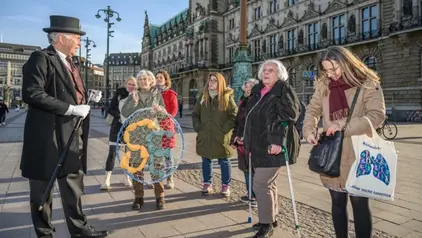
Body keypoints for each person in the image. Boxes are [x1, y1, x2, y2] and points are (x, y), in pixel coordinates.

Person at [20, 15, 107, 238]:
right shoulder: (40, 58)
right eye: (77, 38)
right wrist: (71, 108)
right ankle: (44, 233)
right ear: (61, 38)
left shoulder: (71, 63)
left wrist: (87, 100)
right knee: (42, 192)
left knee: (73, 188)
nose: (79, 42)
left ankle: (80, 230)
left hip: (71, 135)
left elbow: (71, 93)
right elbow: (32, 93)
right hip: (46, 138)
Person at [303, 46, 386, 238]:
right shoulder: (324, 84)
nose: (330, 74)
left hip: (358, 152)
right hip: (332, 153)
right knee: (337, 202)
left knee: (359, 205)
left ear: (347, 63)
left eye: (334, 69)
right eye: (326, 70)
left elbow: (377, 116)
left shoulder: (367, 82)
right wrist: (309, 131)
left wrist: (344, 125)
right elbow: (312, 110)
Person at [243, 59, 300, 238]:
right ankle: (271, 217)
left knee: (260, 184)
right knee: (269, 184)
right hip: (258, 145)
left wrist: (277, 141)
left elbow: (289, 116)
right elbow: (249, 116)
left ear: (279, 73)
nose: (266, 73)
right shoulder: (259, 91)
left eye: (271, 70)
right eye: (264, 70)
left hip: (274, 145)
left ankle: (266, 225)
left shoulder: (283, 89)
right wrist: (243, 136)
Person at [120, 70, 167, 210]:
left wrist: (161, 110)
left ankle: (160, 197)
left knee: (156, 166)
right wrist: (134, 102)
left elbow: (164, 116)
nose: (143, 82)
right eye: (140, 80)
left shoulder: (157, 95)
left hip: (153, 136)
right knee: (136, 167)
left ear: (151, 81)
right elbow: (125, 113)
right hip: (135, 137)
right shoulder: (132, 95)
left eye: (145, 79)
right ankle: (138, 198)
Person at [192, 72, 237, 197]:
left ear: (220, 83)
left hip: (220, 136)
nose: (211, 82)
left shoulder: (227, 97)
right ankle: (207, 183)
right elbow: (195, 114)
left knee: (224, 160)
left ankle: (225, 185)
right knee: (206, 160)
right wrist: (198, 127)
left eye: (214, 80)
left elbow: (234, 115)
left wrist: (224, 129)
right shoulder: (203, 97)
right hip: (205, 134)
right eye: (210, 80)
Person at [100, 77, 137, 190]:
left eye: (133, 85)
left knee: (127, 155)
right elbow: (110, 109)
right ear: (125, 84)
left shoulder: (137, 96)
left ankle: (127, 177)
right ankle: (107, 179)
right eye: (129, 84)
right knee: (112, 153)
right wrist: (120, 116)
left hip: (130, 129)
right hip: (117, 127)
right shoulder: (119, 95)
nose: (131, 86)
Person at [230, 78, 259, 207]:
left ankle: (255, 196)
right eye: (246, 87)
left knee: (254, 170)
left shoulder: (258, 101)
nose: (248, 89)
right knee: (246, 169)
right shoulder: (243, 102)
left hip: (253, 142)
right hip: (241, 142)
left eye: (251, 87)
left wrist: (246, 137)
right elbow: (237, 123)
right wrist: (234, 138)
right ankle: (250, 193)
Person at [155, 70, 178, 189]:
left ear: (165, 79)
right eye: (157, 77)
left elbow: (174, 111)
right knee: (156, 155)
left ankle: (170, 178)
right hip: (154, 127)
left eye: (161, 77)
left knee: (168, 155)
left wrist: (165, 113)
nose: (159, 79)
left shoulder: (171, 94)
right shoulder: (152, 93)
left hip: (167, 127)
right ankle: (157, 178)